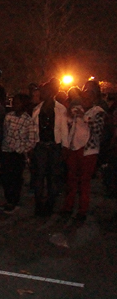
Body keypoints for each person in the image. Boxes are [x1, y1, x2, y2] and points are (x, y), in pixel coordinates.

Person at [60, 84, 106, 220]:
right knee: (71, 179)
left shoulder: (98, 112)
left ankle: (82, 210)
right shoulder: (77, 110)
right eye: (84, 97)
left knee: (84, 182)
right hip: (75, 148)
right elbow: (69, 125)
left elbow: (97, 131)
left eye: (88, 97)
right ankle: (68, 207)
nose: (85, 100)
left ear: (94, 98)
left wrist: (84, 117)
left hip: (88, 151)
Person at [31, 78, 68, 217]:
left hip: (54, 146)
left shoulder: (60, 109)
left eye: (45, 91)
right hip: (41, 145)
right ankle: (40, 205)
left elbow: (64, 130)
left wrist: (65, 147)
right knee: (40, 177)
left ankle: (49, 205)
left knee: (51, 178)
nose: (42, 93)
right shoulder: (38, 109)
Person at [0, 93, 35, 212]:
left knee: (15, 178)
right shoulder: (9, 116)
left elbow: (31, 140)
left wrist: (21, 149)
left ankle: (13, 201)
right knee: (5, 177)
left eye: (18, 102)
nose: (15, 104)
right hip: (6, 151)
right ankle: (8, 199)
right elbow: (5, 132)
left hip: (17, 153)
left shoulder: (28, 120)